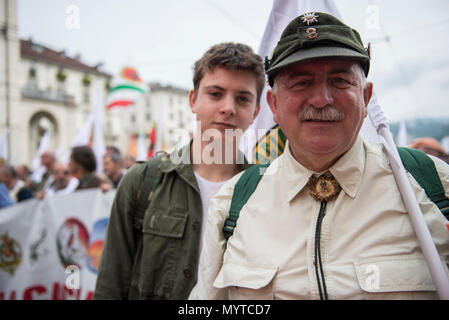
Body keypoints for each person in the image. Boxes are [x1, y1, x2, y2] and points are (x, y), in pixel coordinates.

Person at [189, 12, 449, 300]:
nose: (321, 99)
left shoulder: (434, 186)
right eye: (301, 82)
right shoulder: (232, 204)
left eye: (339, 80)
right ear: (273, 105)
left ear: (365, 97)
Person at [94, 42, 265, 299]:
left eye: (242, 98)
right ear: (193, 100)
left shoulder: (266, 193)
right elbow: (110, 287)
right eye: (215, 94)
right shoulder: (141, 183)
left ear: (256, 112)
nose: (228, 107)